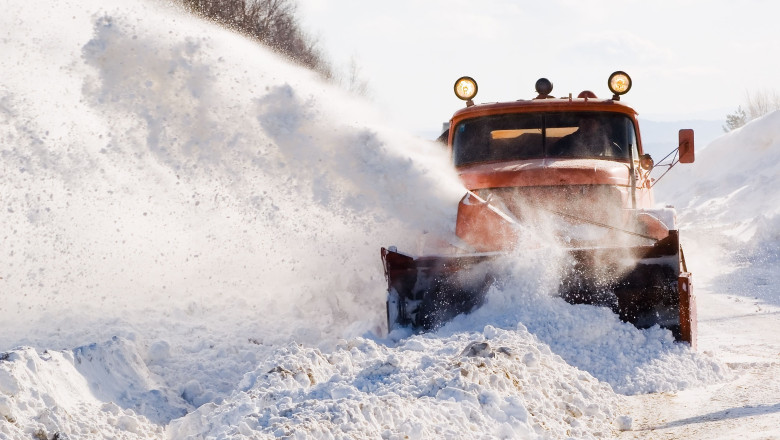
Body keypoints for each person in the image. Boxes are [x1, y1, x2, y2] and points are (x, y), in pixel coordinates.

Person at [550, 116, 617, 157]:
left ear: (598, 125)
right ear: (579, 123)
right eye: (584, 122)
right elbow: (549, 157)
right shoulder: (565, 142)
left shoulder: (608, 145)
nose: (587, 125)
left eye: (591, 122)